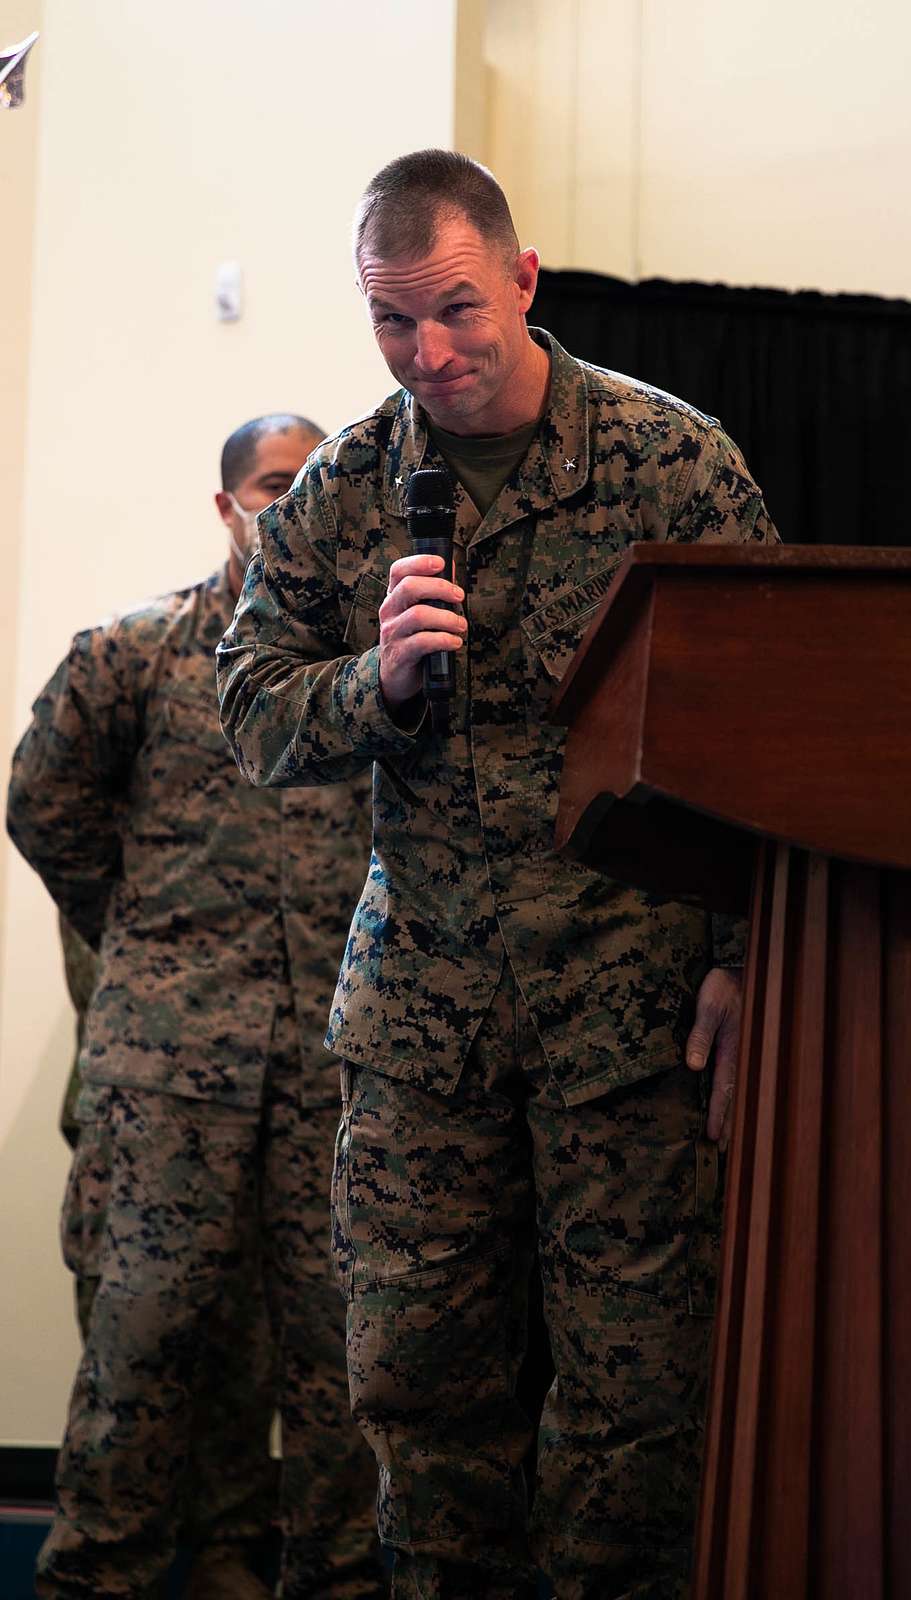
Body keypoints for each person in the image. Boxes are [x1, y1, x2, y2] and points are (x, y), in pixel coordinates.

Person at [217, 152, 779, 1600]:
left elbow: (772, 729)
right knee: (422, 1414)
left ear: (523, 279)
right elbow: (250, 709)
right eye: (393, 324)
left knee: (635, 1429)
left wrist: (739, 956)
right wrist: (372, 684)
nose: (432, 353)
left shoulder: (673, 465)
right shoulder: (342, 491)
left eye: (457, 310)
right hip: (424, 1034)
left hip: (628, 1029)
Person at [8, 414, 384, 1600]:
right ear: (225, 503)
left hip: (328, 1075)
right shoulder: (136, 654)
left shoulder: (375, 668)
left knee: (337, 1362)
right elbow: (42, 804)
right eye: (275, 483)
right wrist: (142, 936)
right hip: (169, 1069)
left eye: (312, 483)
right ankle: (98, 1574)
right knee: (143, 1346)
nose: (292, 500)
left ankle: (323, 1576)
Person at [56, 913, 281, 1597]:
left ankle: (228, 1542)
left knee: (250, 1326)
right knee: (129, 1340)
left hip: (270, 1073)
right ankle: (108, 1564)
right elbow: (64, 838)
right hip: (142, 1067)